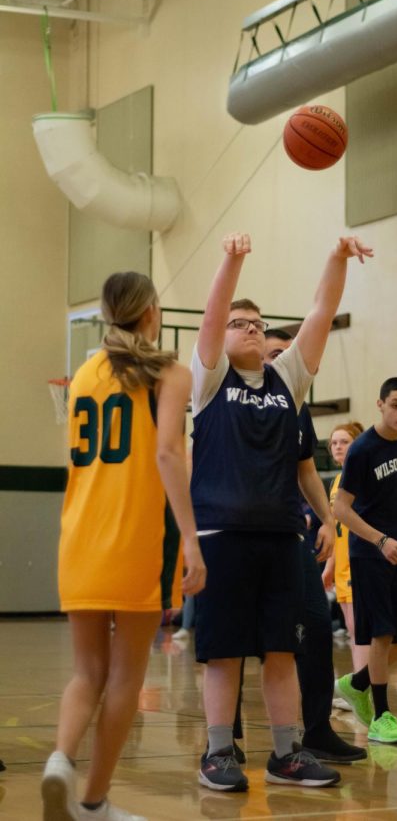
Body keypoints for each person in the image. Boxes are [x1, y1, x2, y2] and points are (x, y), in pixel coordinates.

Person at [190, 232, 372, 792]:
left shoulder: (285, 382)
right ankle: (220, 752)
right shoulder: (210, 380)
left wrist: (335, 258)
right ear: (221, 337)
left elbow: (320, 312)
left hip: (279, 536)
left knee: (281, 651)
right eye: (240, 323)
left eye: (258, 323)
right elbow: (214, 313)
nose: (252, 328)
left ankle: (287, 753)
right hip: (221, 534)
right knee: (222, 653)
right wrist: (233, 260)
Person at [41, 271, 206, 821]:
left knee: (86, 671)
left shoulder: (85, 374)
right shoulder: (170, 372)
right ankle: (92, 802)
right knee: (124, 678)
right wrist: (190, 537)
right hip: (134, 537)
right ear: (153, 311)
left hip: (78, 538)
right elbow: (167, 455)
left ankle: (60, 762)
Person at [259, 330, 366, 763]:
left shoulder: (296, 407)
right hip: (241, 533)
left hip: (292, 534)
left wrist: (324, 519)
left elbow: (306, 470)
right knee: (239, 642)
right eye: (272, 354)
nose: (281, 361)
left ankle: (319, 730)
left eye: (286, 354)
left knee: (318, 629)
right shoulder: (228, 400)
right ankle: (224, 740)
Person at [333, 377, 397, 744]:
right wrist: (381, 539)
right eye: (396, 405)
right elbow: (341, 508)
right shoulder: (362, 450)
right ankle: (381, 716)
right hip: (369, 552)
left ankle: (355, 684)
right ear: (380, 404)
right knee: (383, 633)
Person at [322, 422, 371, 677]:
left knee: (360, 631)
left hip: (358, 562)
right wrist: (329, 566)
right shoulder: (337, 480)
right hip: (340, 565)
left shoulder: (361, 476)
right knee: (353, 631)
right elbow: (336, 528)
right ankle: (358, 688)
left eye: (344, 442)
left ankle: (363, 689)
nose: (338, 446)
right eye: (334, 442)